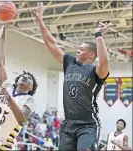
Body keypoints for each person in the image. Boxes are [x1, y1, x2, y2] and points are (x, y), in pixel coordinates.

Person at [35, 2, 110, 151]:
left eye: (81, 49)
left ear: (91, 54)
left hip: (87, 123)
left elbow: (104, 61)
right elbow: (52, 44)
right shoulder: (69, 63)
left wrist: (98, 36)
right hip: (68, 123)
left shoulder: (95, 71)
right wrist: (40, 22)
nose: (77, 51)